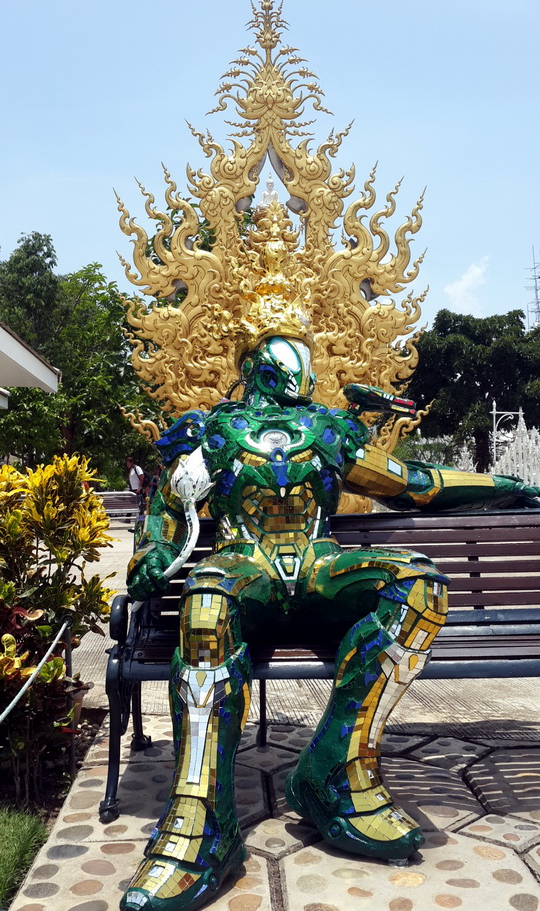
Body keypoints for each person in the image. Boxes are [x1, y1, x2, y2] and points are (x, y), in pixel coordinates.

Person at [120, 328, 540, 911]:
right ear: (254, 367)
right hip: (245, 566)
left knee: (419, 585)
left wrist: (504, 485)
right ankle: (200, 821)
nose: (295, 370)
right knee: (207, 601)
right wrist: (154, 553)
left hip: (321, 567)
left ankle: (335, 769)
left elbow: (415, 486)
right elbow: (167, 508)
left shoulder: (329, 429)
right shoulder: (214, 430)